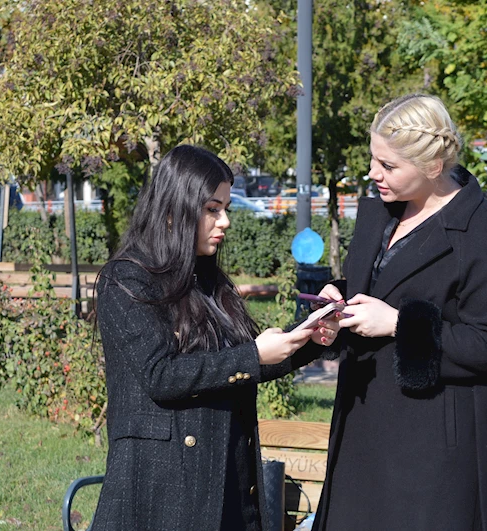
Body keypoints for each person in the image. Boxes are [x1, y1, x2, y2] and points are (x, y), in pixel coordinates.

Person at [91, 145, 339, 531]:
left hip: (228, 480)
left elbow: (241, 365)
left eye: (225, 208)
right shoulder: (126, 280)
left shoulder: (207, 281)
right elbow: (161, 375)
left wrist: (312, 335)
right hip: (165, 493)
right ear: (174, 209)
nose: (224, 221)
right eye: (211, 209)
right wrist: (253, 356)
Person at [312, 94, 487, 531]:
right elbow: (385, 285)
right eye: (374, 160)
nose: (374, 174)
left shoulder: (478, 230)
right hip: (362, 425)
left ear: (432, 166)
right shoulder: (380, 212)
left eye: (388, 166)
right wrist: (341, 299)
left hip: (430, 447)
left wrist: (400, 325)